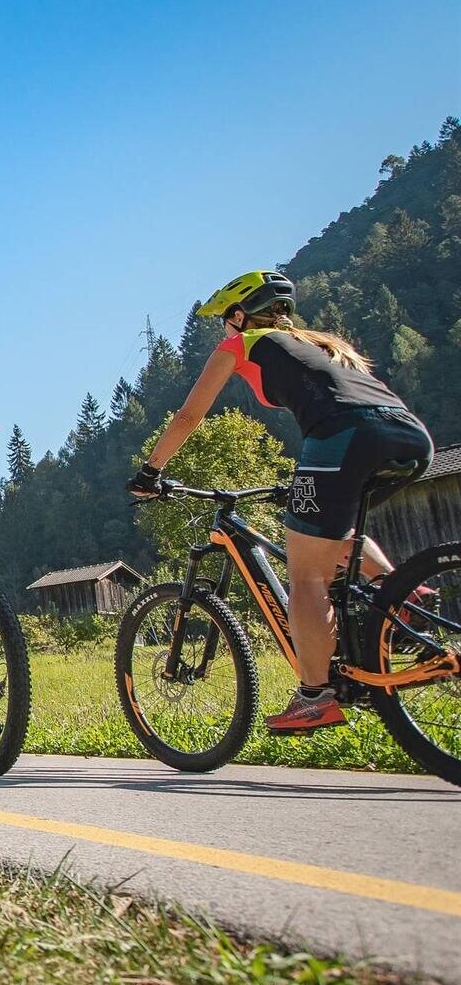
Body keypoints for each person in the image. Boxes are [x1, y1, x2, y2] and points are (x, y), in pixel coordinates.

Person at [129, 269, 433, 734]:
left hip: (344, 435)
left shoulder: (241, 344)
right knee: (336, 536)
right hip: (409, 435)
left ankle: (315, 697)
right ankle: (405, 600)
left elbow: (190, 414)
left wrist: (151, 471)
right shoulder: (324, 344)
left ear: (237, 315)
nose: (222, 330)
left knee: (306, 574)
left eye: (224, 321)